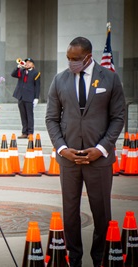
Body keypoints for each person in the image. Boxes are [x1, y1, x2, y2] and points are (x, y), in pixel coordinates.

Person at [45, 37, 125, 267]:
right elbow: (51, 118)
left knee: (101, 214)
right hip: (68, 160)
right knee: (70, 213)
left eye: (76, 59)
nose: (71, 63)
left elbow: (118, 117)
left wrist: (101, 149)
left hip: (98, 160)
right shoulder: (59, 80)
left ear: (89, 56)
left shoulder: (109, 78)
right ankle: (74, 258)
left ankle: (100, 259)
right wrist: (62, 149)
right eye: (68, 58)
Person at [11, 57, 41, 139]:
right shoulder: (22, 71)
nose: (27, 63)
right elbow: (13, 74)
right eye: (26, 62)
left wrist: (36, 98)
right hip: (20, 96)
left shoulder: (36, 73)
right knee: (23, 115)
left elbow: (37, 86)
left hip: (29, 96)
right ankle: (24, 132)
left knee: (29, 115)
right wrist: (18, 67)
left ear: (32, 64)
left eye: (29, 62)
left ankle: (30, 132)